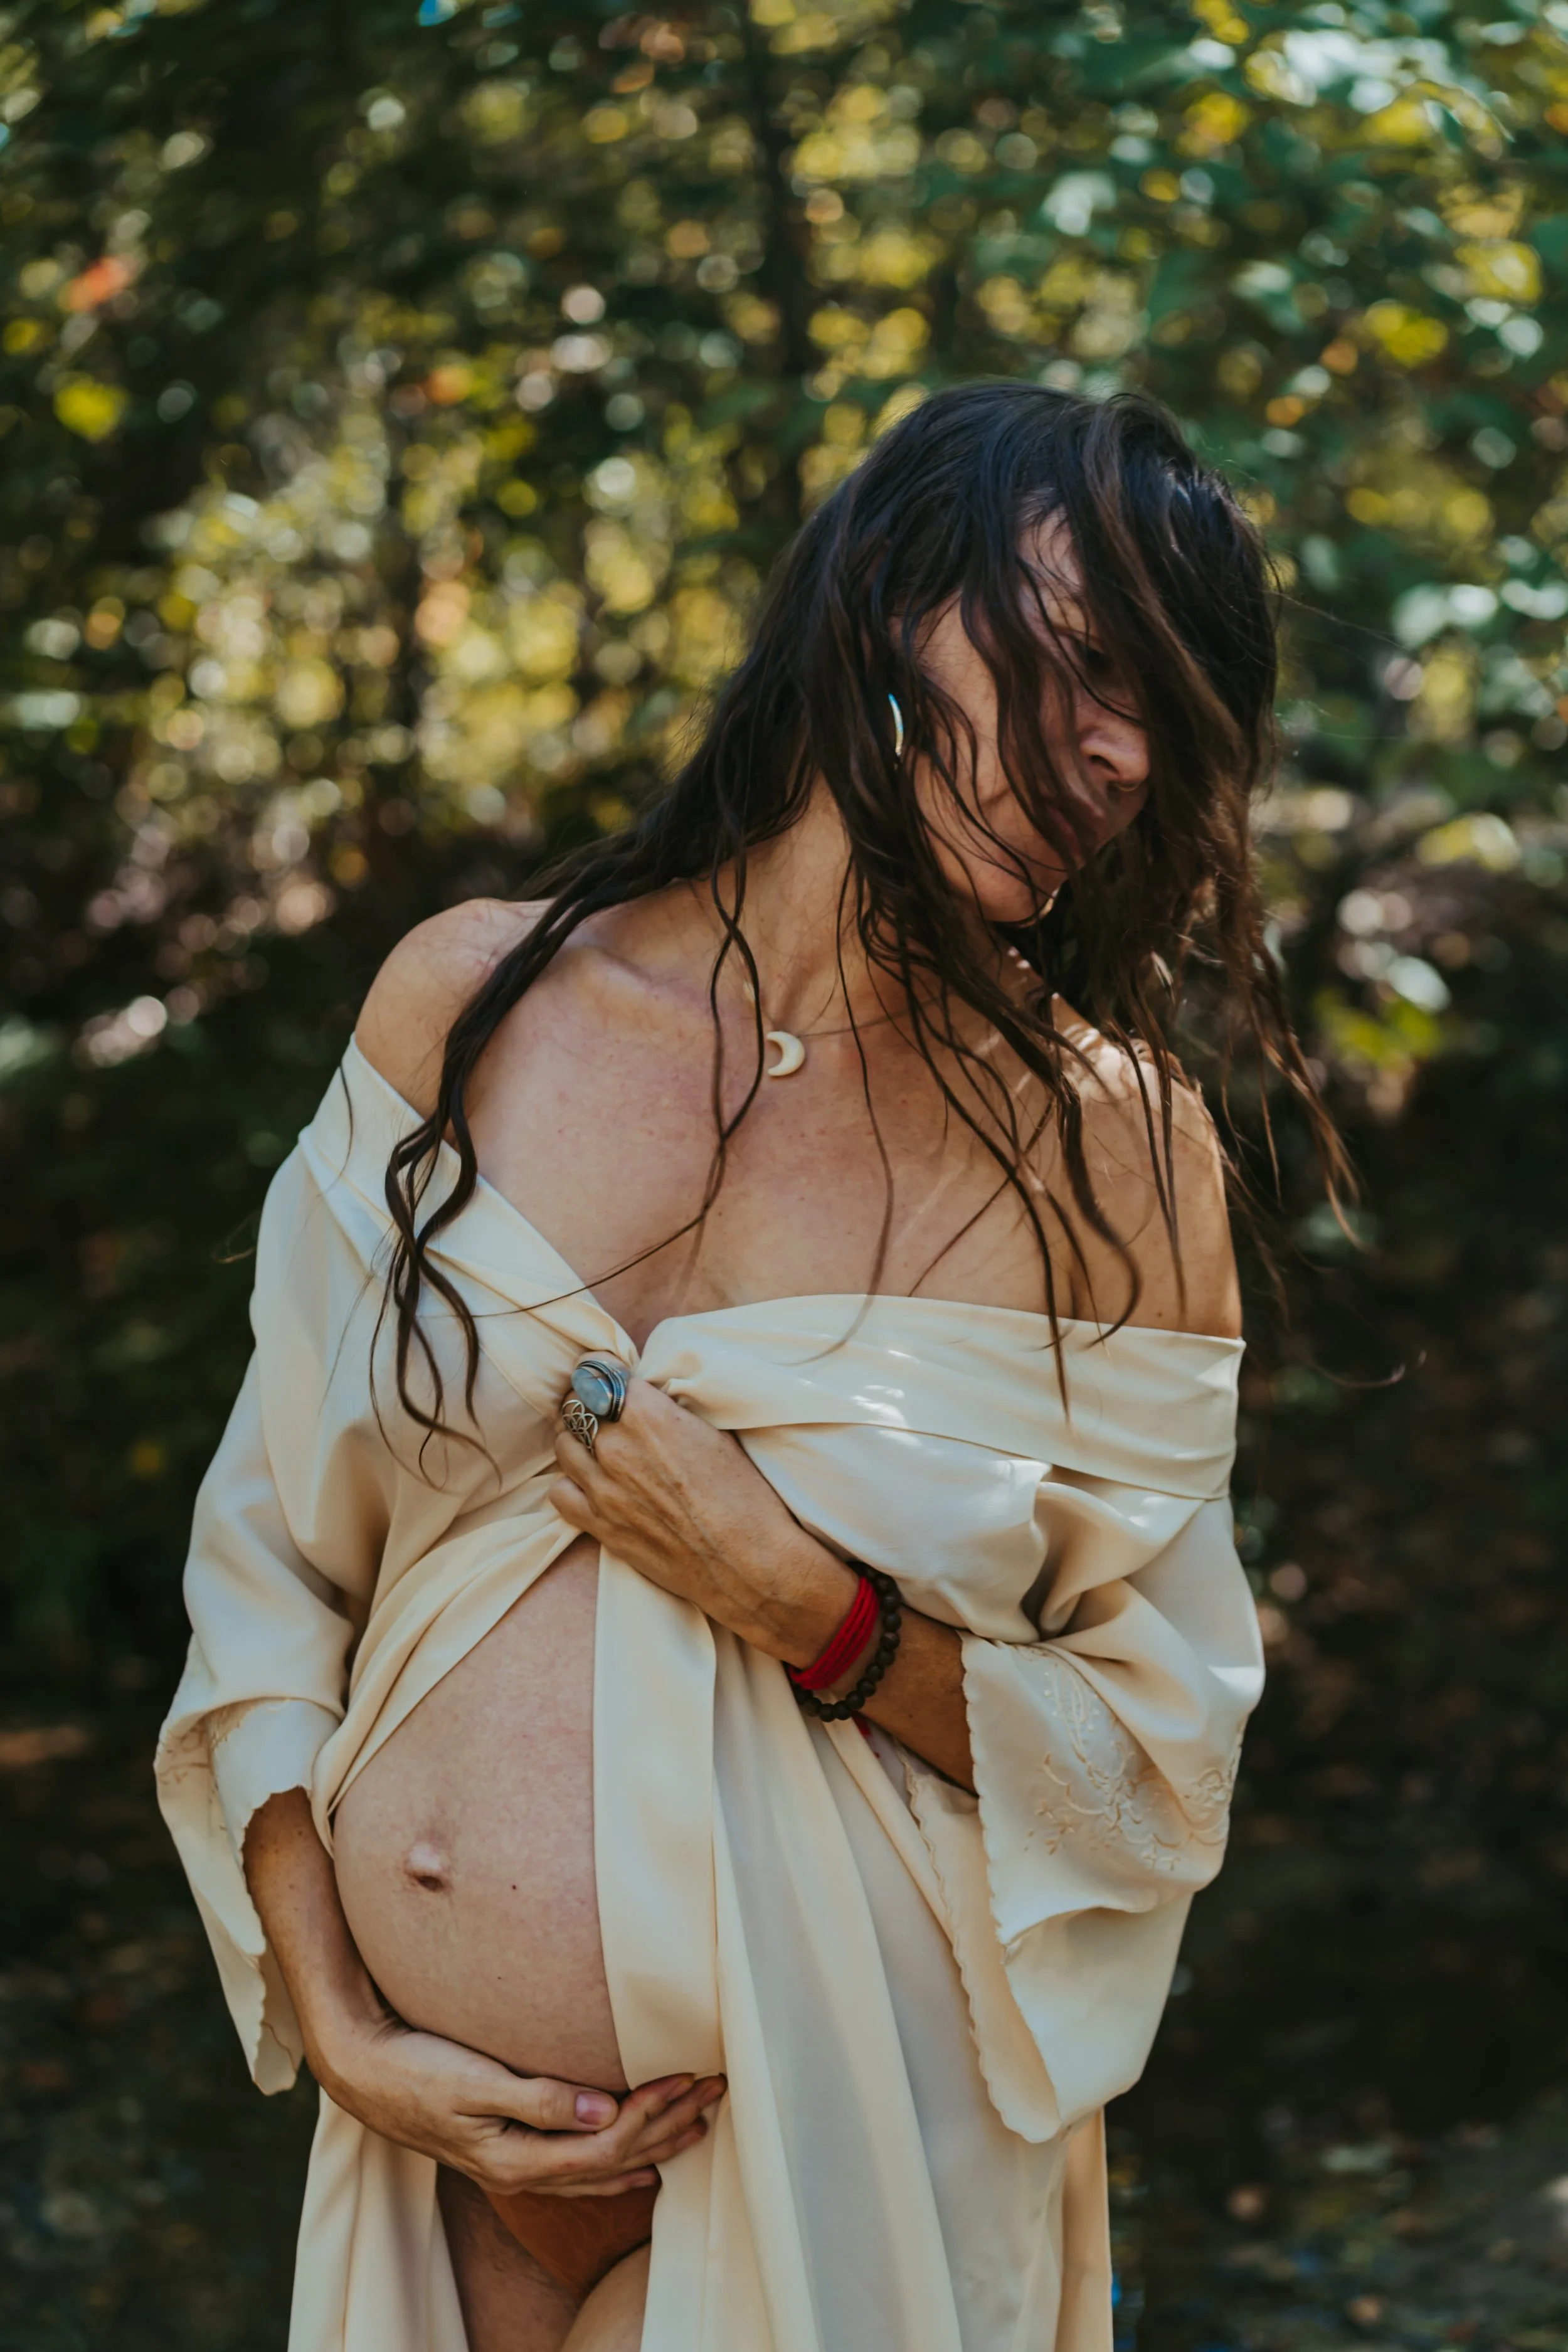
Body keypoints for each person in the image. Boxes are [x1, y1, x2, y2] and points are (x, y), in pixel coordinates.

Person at [157, 382, 1336, 2352]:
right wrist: (345, 2026)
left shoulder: (1110, 1151)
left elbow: (1153, 1766)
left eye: (1168, 709)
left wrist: (808, 1608)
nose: (1125, 752)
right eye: (1087, 658)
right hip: (434, 2168)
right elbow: (270, 1562)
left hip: (841, 2140)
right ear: (886, 597)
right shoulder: (478, 1004)